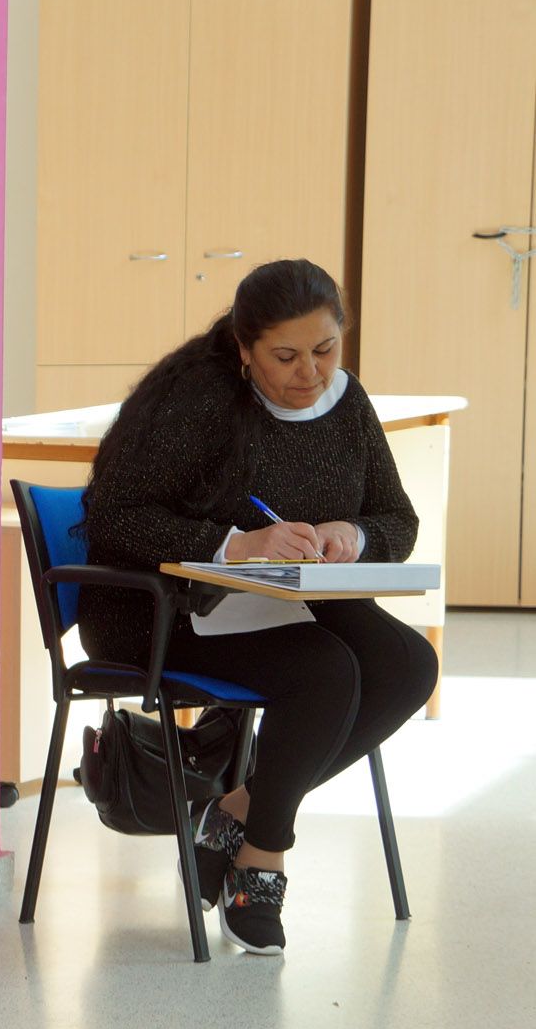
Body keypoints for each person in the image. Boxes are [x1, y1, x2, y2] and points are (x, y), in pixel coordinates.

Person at [80, 258, 435, 955]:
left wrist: (353, 534)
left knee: (406, 665)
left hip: (284, 599)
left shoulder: (345, 401)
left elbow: (397, 518)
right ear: (244, 351)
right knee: (326, 673)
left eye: (327, 349)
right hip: (165, 607)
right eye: (286, 356)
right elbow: (114, 518)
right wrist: (234, 543)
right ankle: (263, 854)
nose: (312, 373)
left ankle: (236, 809)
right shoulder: (198, 402)